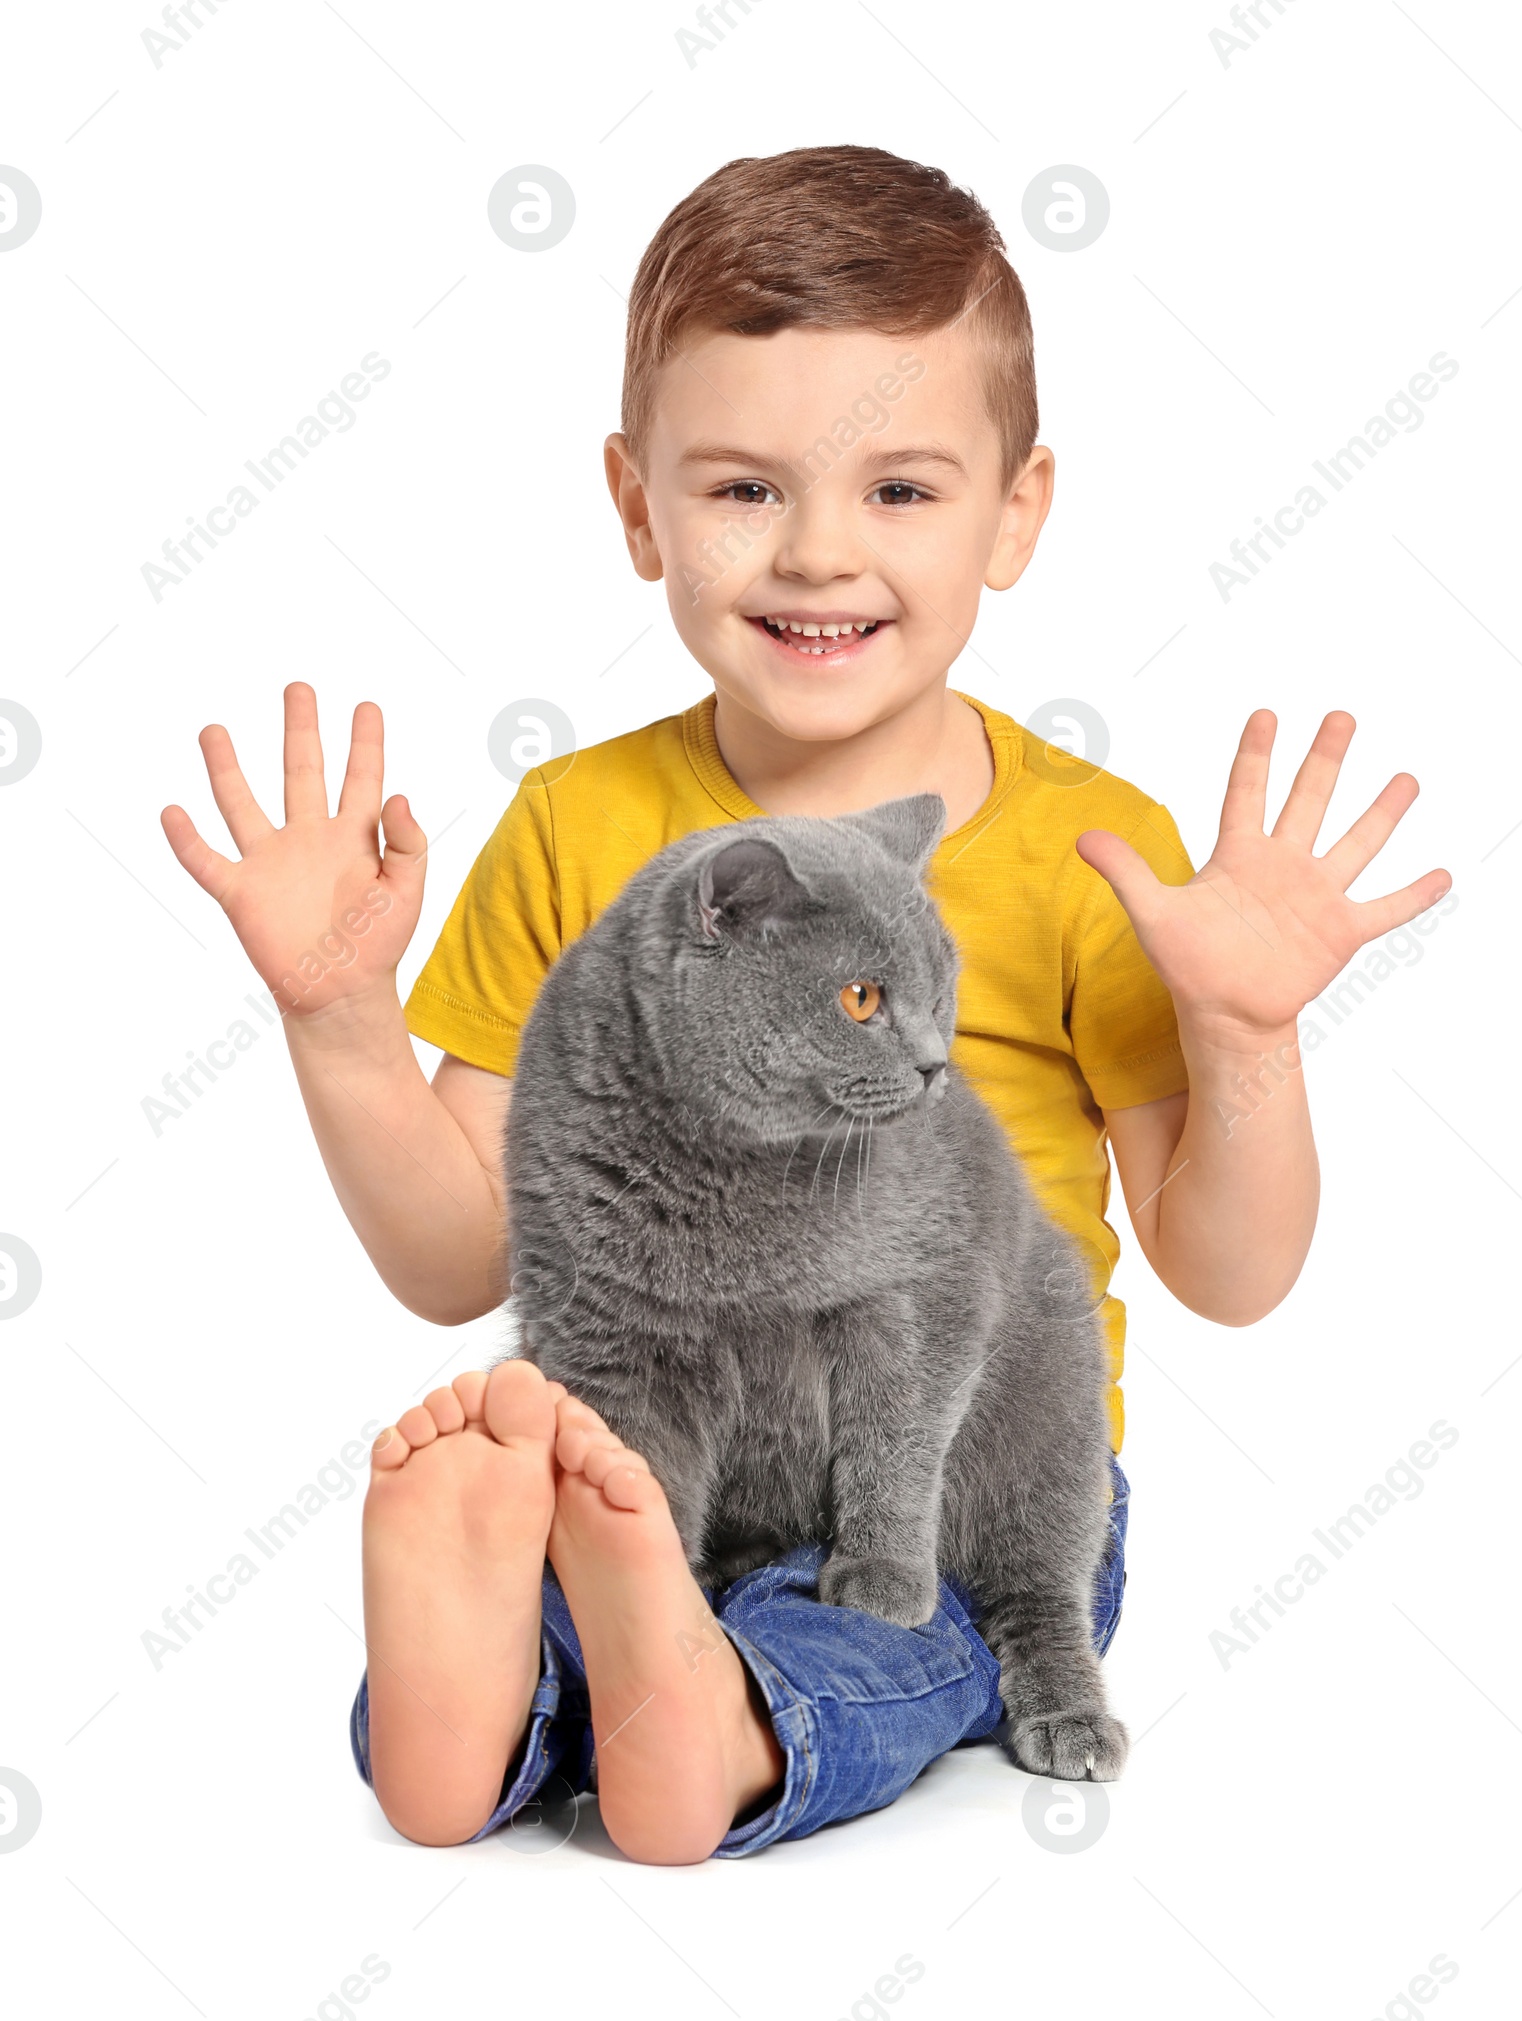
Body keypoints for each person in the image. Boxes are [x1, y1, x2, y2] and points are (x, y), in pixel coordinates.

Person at [161, 145, 1449, 1863]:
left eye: (902, 491)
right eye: (746, 489)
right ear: (638, 507)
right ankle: (504, 1695)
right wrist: (340, 1022)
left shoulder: (1095, 854)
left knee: (895, 1635)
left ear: (1019, 509)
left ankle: (713, 1713)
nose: (819, 551)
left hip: (965, 1493)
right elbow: (459, 1255)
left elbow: (1232, 1268)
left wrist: (1248, 1035)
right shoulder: (579, 830)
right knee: (589, 1555)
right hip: (663, 1467)